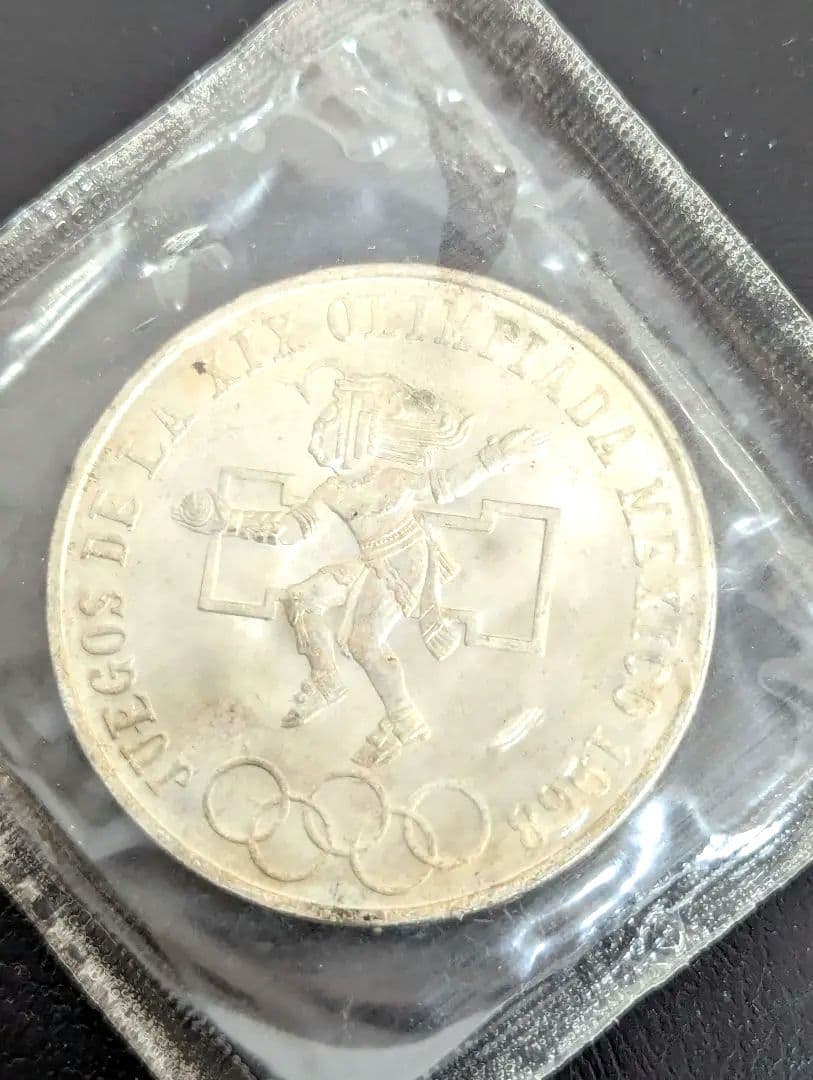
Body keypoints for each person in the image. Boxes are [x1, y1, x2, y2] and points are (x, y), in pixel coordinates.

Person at [175, 372, 546, 767]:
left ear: (360, 430)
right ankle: (327, 681)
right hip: (372, 562)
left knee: (362, 642)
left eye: (330, 421)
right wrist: (230, 521)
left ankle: (405, 720)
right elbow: (291, 529)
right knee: (303, 599)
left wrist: (497, 456)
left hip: (404, 562)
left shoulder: (394, 479)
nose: (319, 432)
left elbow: (448, 484)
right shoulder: (333, 489)